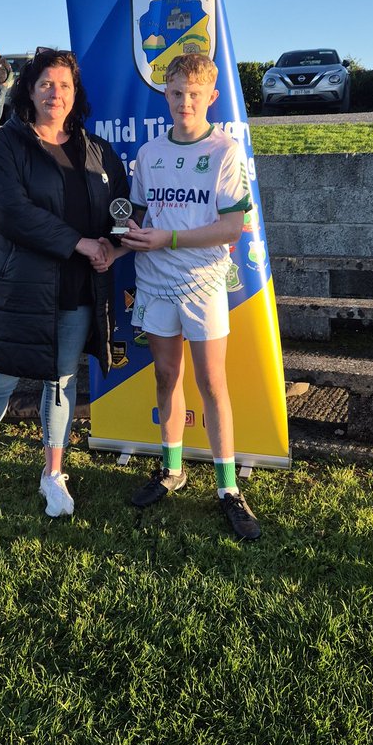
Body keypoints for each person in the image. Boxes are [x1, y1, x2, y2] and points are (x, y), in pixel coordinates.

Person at [0, 47, 128, 519]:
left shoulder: (96, 150)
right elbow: (12, 213)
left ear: (75, 93)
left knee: (61, 382)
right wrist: (79, 243)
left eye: (64, 85)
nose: (55, 93)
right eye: (46, 83)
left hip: (76, 290)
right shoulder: (4, 147)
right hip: (21, 290)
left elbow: (121, 207)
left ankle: (53, 473)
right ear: (28, 89)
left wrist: (113, 244)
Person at [119, 53, 261, 541]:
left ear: (211, 97)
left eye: (195, 94)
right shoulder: (148, 153)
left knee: (212, 382)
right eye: (177, 93)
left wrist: (170, 239)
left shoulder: (225, 151)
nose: (185, 102)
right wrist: (121, 238)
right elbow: (138, 216)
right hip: (155, 281)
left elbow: (232, 227)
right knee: (166, 375)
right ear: (166, 94)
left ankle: (228, 487)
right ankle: (172, 469)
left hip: (202, 282)